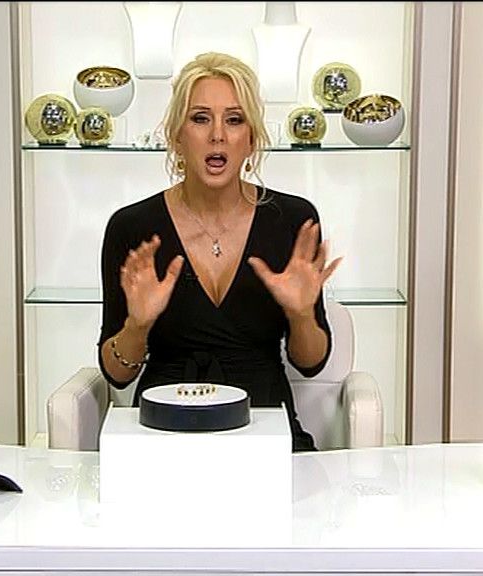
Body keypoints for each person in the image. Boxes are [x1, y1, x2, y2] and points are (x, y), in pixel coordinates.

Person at [97, 52, 341, 451]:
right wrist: (137, 326)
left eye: (234, 120)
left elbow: (311, 362)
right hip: (163, 434)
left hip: (266, 430)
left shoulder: (292, 219)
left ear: (252, 139)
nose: (217, 136)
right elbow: (117, 374)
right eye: (200, 118)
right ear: (177, 136)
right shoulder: (131, 227)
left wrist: (300, 315)